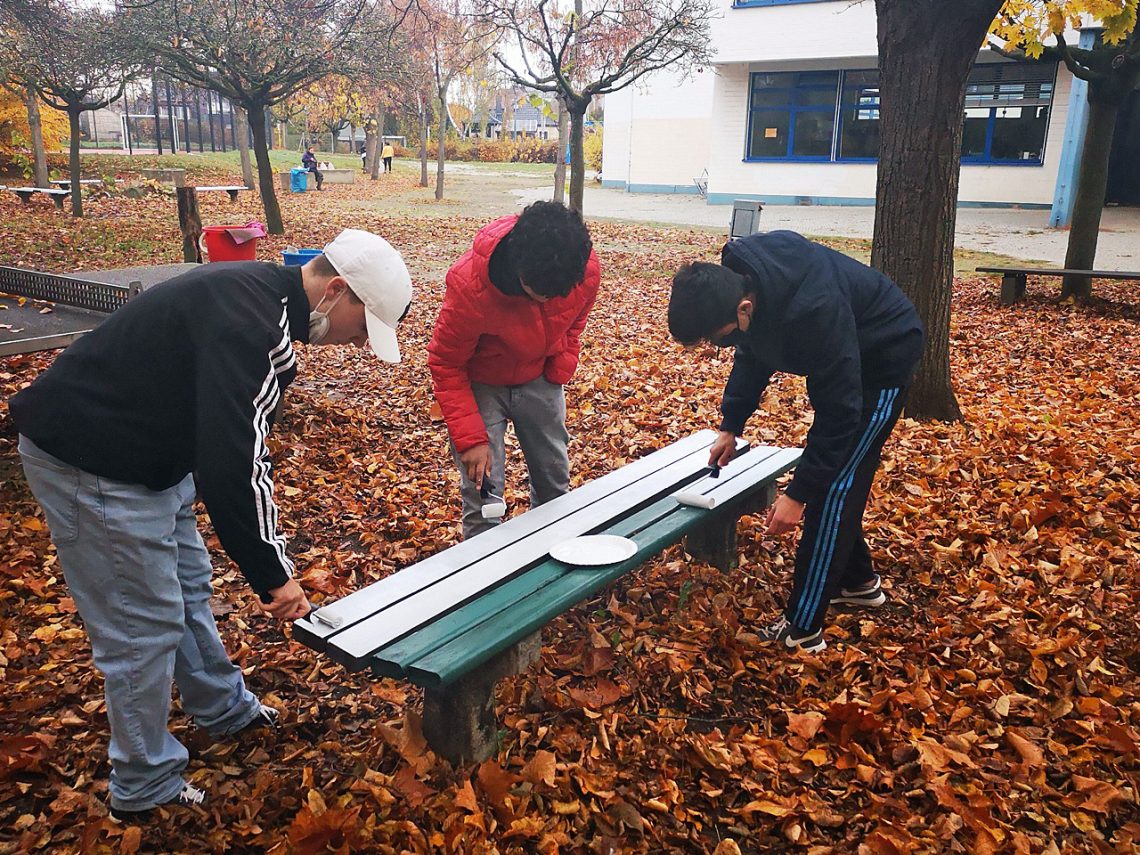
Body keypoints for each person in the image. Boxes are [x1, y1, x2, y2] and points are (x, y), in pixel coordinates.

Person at [10, 229, 413, 820]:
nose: (355, 343)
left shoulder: (262, 299)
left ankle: (222, 709)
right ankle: (143, 785)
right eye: (361, 326)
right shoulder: (251, 324)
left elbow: (230, 442)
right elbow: (234, 464)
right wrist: (273, 575)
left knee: (188, 585)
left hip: (152, 453)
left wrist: (266, 563)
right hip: (91, 457)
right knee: (140, 626)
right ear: (335, 290)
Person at [667, 230, 923, 654]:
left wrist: (798, 495)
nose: (718, 345)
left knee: (834, 489)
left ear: (744, 307)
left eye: (717, 337)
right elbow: (752, 352)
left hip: (882, 361)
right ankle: (858, 583)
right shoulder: (745, 282)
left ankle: (803, 629)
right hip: (847, 359)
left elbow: (841, 413)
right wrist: (731, 424)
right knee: (837, 483)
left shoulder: (814, 310)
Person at [428, 200, 599, 539]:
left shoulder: (583, 269)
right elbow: (446, 362)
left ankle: (551, 550)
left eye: (558, 294)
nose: (549, 300)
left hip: (540, 376)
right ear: (519, 269)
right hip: (481, 383)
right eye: (541, 294)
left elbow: (576, 319)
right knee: (483, 491)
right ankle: (482, 563)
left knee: (554, 480)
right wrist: (470, 439)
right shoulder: (469, 285)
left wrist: (563, 359)